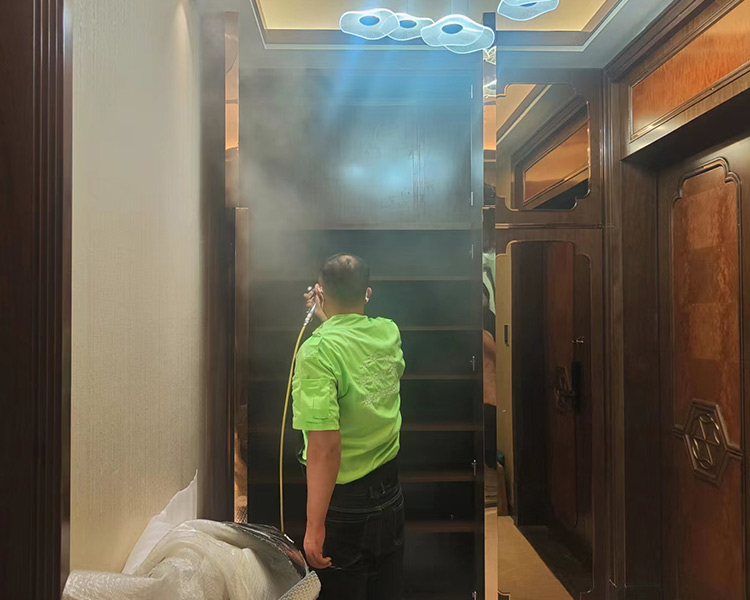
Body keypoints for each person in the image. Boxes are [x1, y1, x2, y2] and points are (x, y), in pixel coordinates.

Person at [292, 254, 406, 600]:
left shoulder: (317, 352)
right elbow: (351, 335)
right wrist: (328, 317)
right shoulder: (388, 331)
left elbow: (325, 447)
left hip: (345, 507)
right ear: (368, 293)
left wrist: (314, 528)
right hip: (390, 495)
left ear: (320, 293)